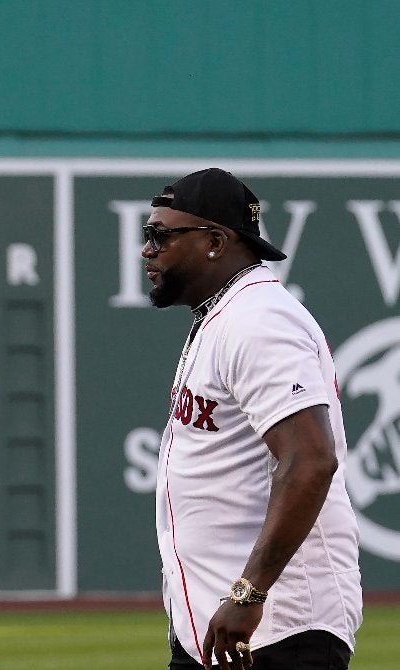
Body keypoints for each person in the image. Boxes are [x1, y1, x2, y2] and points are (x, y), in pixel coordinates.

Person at [143, 168, 363, 670]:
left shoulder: (259, 319)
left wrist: (247, 594)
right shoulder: (224, 314)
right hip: (222, 628)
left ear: (217, 241)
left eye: (160, 235)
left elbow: (310, 460)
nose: (146, 250)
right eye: (146, 234)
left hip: (280, 628)